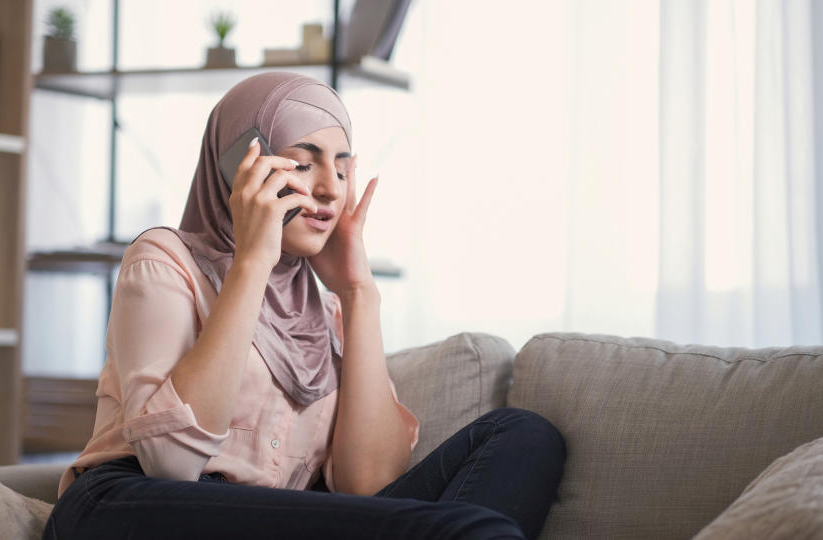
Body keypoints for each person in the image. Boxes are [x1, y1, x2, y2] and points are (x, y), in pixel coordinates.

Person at [43, 71, 566, 540]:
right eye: (301, 162)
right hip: (131, 507)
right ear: (239, 166)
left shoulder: (326, 315)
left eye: (341, 169)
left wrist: (358, 295)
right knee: (464, 530)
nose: (328, 189)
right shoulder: (163, 259)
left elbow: (371, 486)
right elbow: (171, 461)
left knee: (524, 436)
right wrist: (252, 260)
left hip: (277, 514)